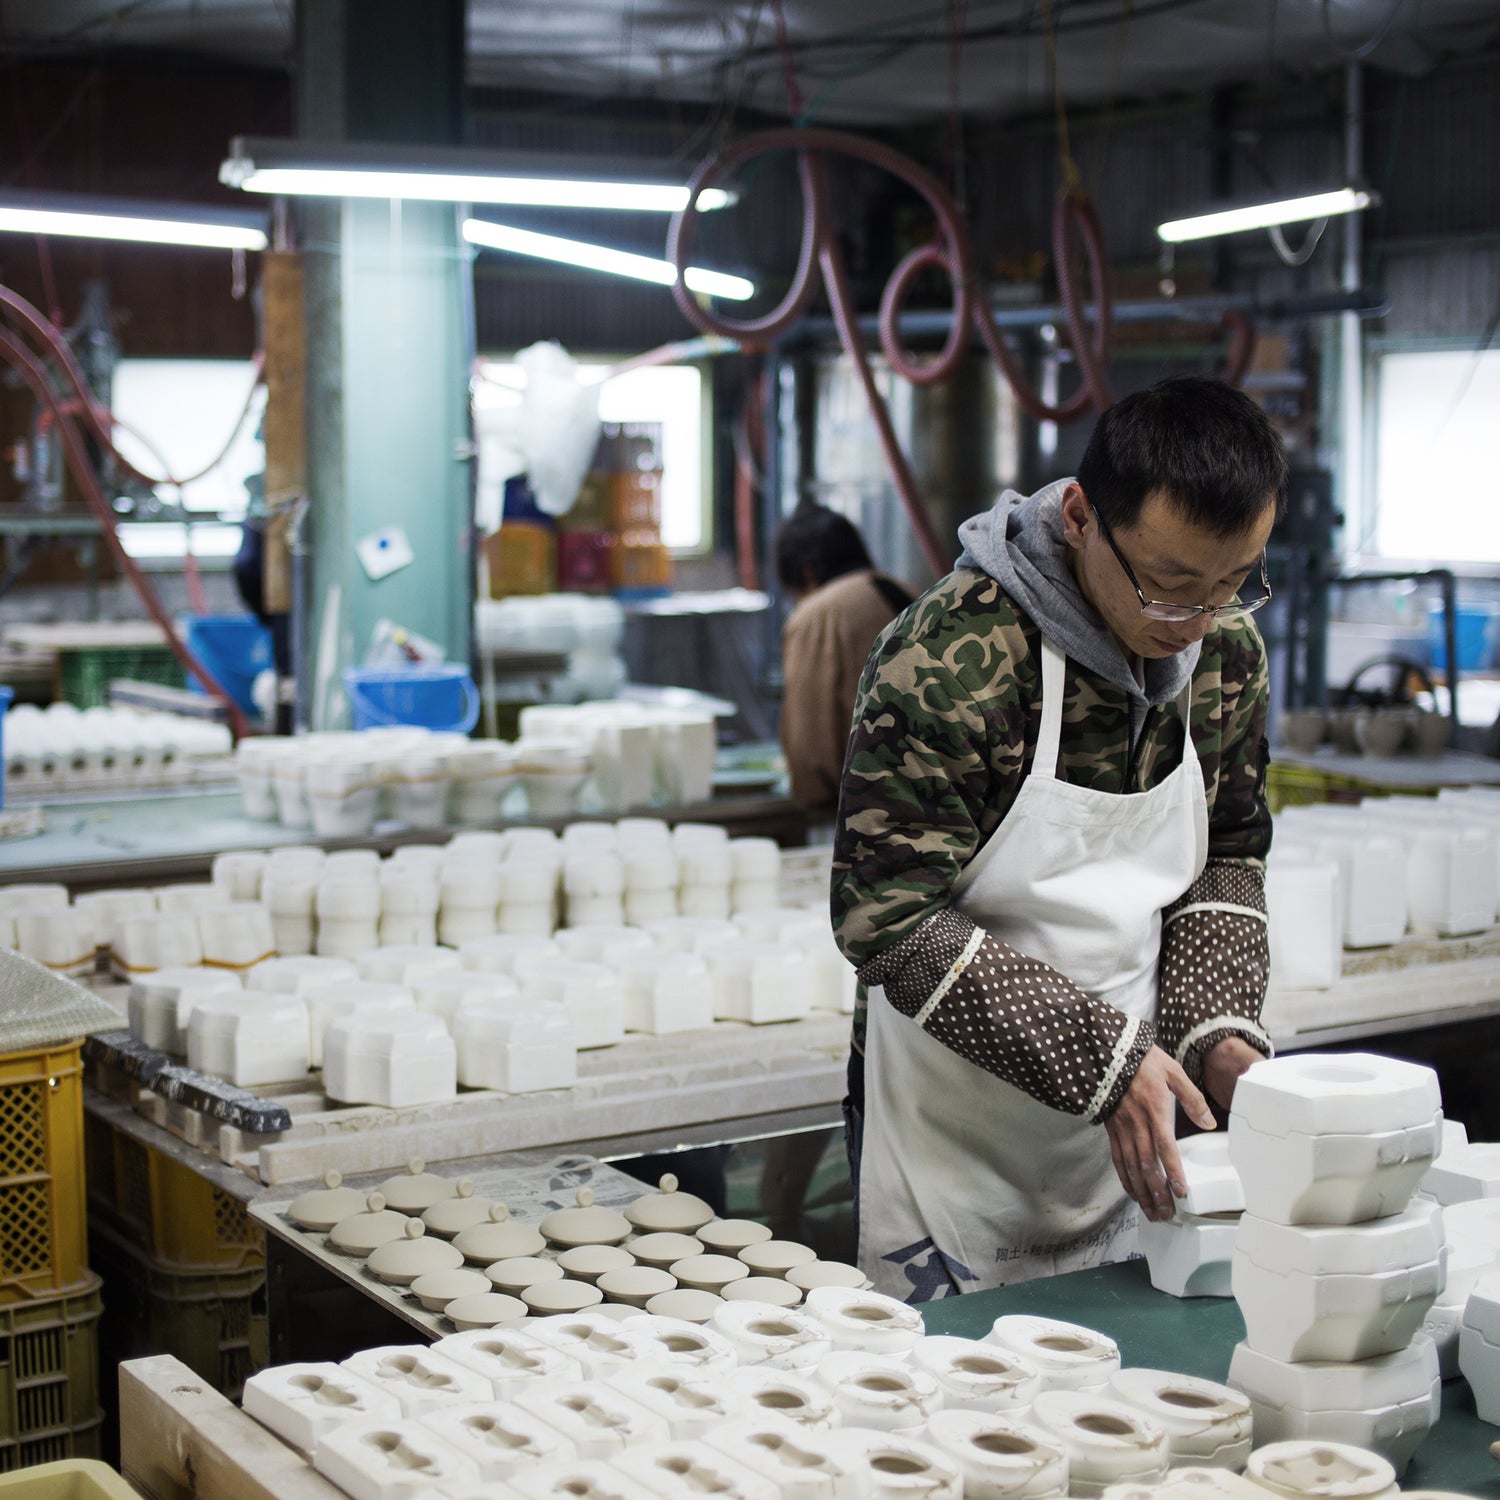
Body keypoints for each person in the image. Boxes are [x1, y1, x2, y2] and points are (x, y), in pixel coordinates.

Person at [832, 376, 1284, 1302]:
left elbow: (1228, 850)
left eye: (1234, 584)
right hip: (957, 1134)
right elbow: (884, 917)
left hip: (1138, 1117)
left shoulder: (1224, 653)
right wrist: (1102, 1062)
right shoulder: (951, 660)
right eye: (1168, 588)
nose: (1195, 624)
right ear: (1080, 516)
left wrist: (1216, 1032)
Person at [776, 504, 913, 818]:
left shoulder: (817, 615)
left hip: (869, 815)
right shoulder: (912, 591)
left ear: (807, 574)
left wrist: (812, 799)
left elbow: (809, 744)